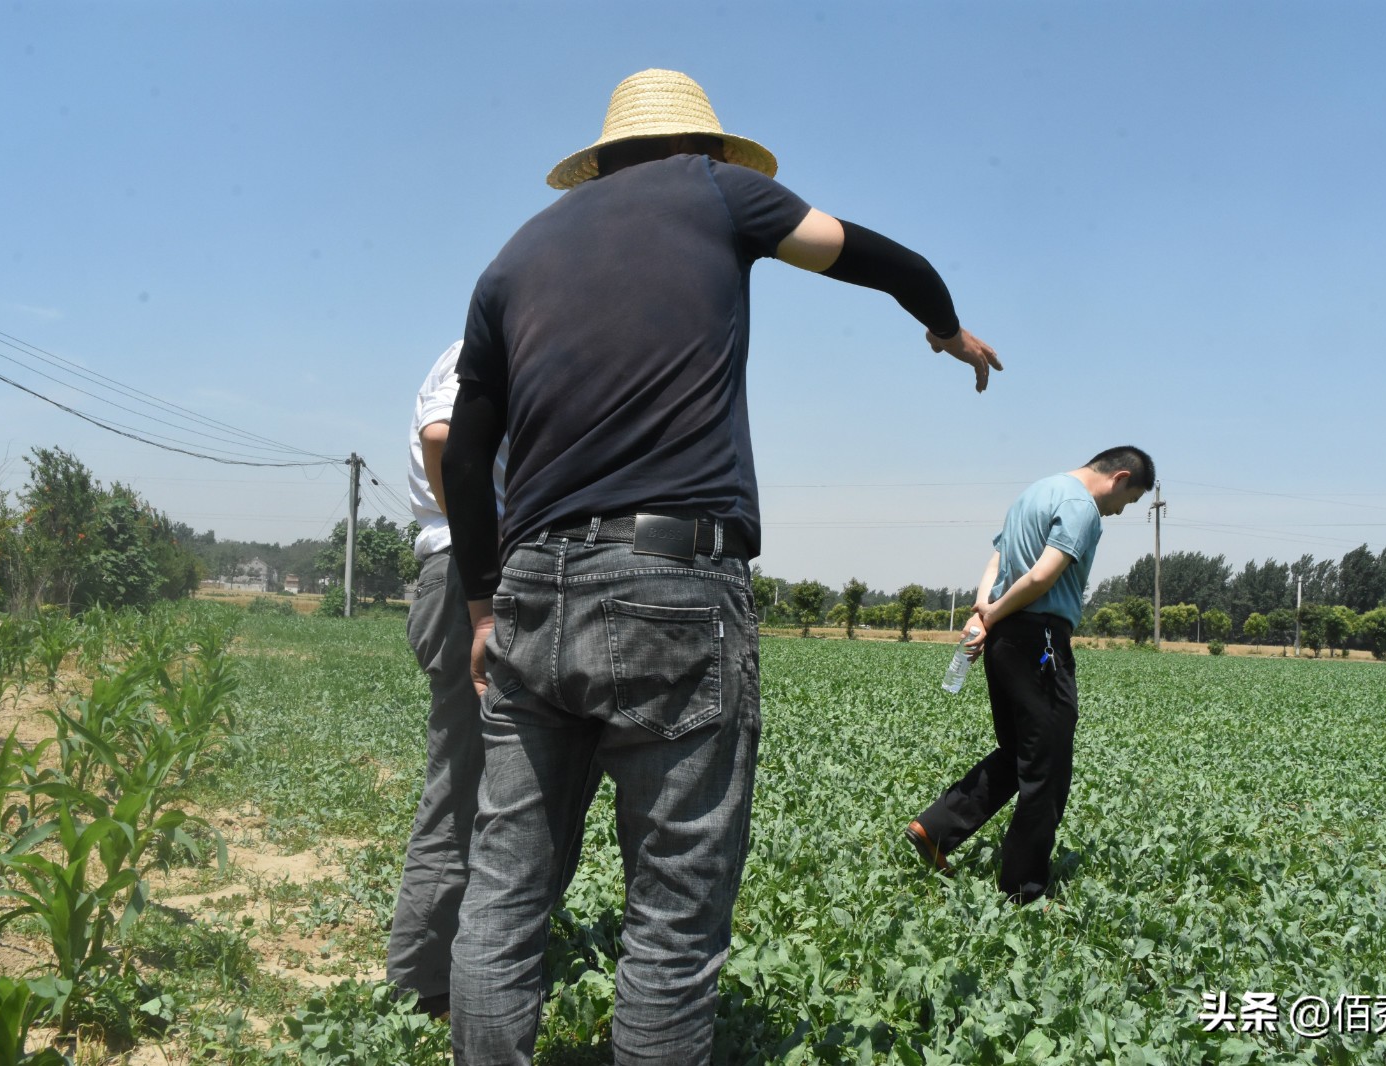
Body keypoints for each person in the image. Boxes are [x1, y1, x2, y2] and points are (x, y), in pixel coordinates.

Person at [441, 68, 1000, 1064]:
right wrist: (944, 327)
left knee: (504, 891)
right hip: (669, 582)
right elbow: (882, 256)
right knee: (671, 910)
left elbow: (471, 438)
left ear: (601, 161)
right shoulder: (713, 191)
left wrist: (480, 603)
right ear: (696, 148)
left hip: (530, 586)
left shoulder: (515, 254)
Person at [905, 446, 1156, 903]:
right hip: (1039, 637)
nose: (1120, 511)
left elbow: (996, 560)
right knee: (1049, 768)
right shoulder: (1081, 506)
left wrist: (985, 615)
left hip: (1006, 642)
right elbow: (1042, 577)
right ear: (1120, 477)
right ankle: (1023, 889)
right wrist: (995, 612)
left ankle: (936, 829)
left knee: (1018, 751)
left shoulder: (1036, 492)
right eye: (1129, 500)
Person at [385, 340, 506, 1018]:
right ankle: (426, 980)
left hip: (470, 570)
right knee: (463, 785)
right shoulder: (483, 344)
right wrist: (483, 563)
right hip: (469, 573)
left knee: (483, 783)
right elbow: (442, 435)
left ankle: (470, 958)